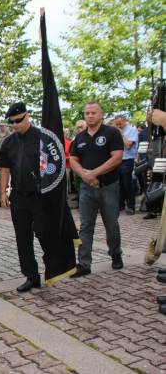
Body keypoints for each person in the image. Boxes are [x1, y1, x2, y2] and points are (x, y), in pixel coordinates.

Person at [0, 103, 53, 292]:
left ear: (27, 116)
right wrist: (3, 191)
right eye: (12, 122)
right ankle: (31, 276)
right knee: (23, 238)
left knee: (45, 234)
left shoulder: (42, 137)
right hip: (19, 196)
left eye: (18, 120)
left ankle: (52, 268)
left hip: (40, 196)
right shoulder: (9, 142)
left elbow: (54, 165)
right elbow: (5, 168)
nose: (15, 125)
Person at [69, 101, 124, 277]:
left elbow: (117, 158)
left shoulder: (112, 133)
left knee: (111, 224)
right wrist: (85, 175)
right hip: (86, 189)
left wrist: (94, 173)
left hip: (108, 187)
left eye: (93, 112)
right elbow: (73, 159)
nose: (90, 116)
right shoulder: (80, 137)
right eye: (87, 113)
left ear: (101, 114)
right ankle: (84, 263)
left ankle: (115, 254)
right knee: (85, 226)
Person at [114, 115, 138, 215]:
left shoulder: (132, 130)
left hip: (127, 159)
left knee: (127, 183)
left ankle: (131, 206)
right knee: (118, 183)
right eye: (117, 124)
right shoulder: (114, 131)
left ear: (125, 121)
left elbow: (128, 145)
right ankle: (120, 204)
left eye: (120, 124)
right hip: (117, 160)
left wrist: (121, 134)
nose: (118, 126)